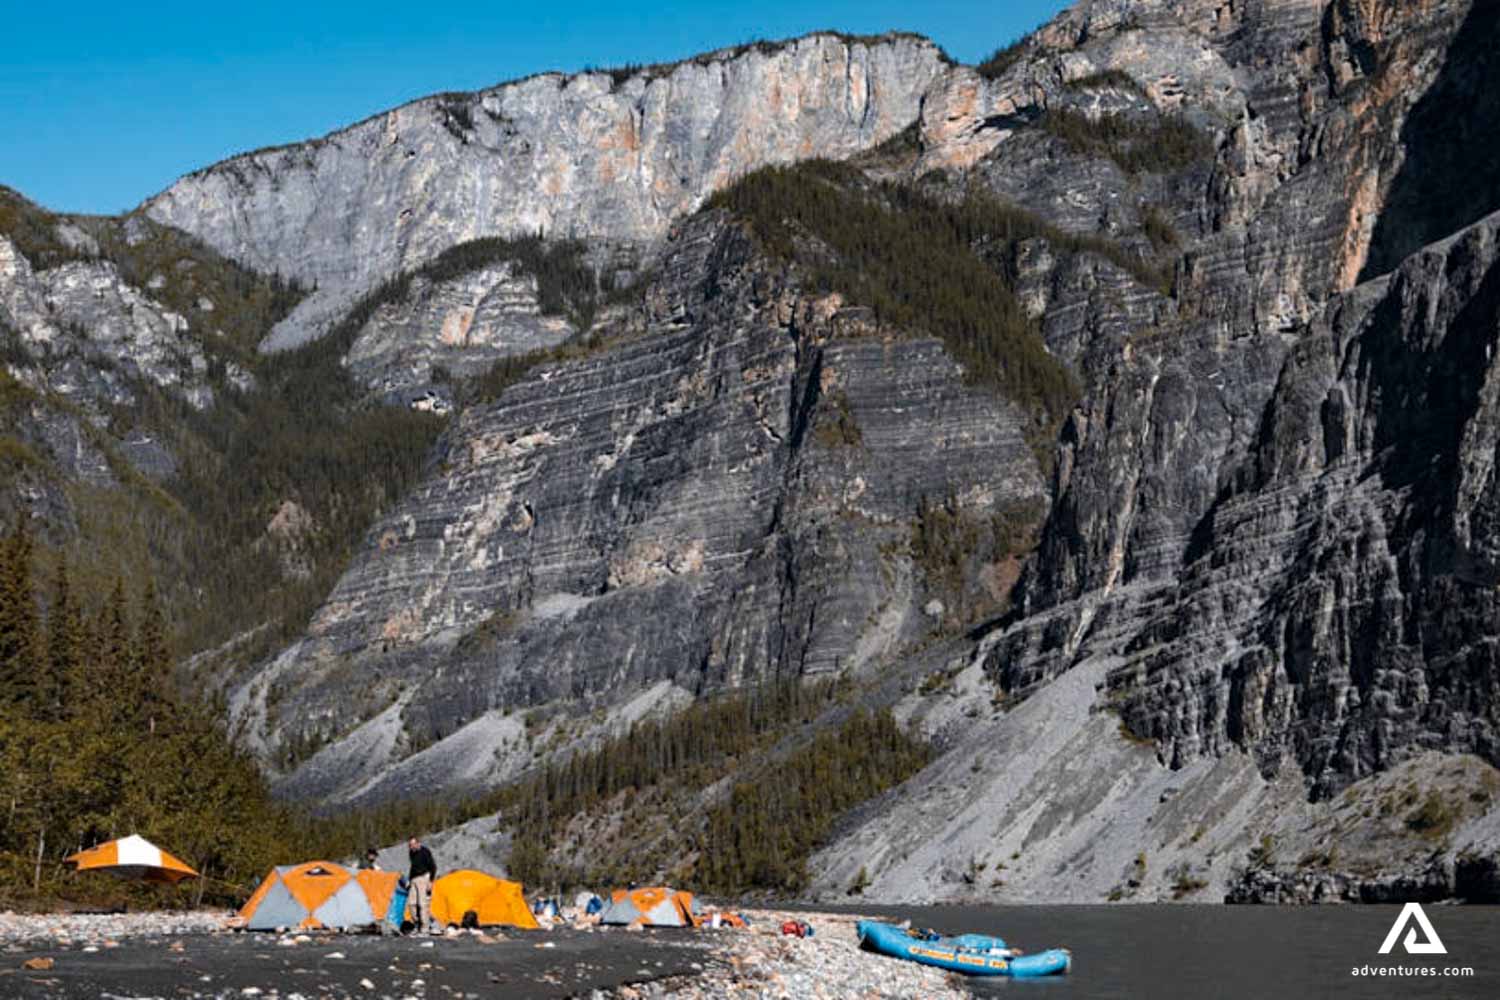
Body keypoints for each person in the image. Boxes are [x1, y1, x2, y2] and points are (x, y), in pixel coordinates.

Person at [407, 837, 438, 934]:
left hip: (424, 877)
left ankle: (425, 928)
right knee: (411, 903)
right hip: (414, 879)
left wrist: (431, 881)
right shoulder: (411, 853)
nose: (411, 847)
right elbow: (413, 867)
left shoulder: (425, 852)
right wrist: (409, 879)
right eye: (410, 845)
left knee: (422, 904)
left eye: (413, 845)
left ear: (418, 843)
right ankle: (417, 924)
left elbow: (433, 866)